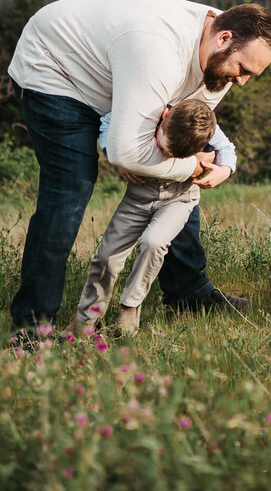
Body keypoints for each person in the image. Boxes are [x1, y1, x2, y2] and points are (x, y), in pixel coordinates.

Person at [5, 0, 271, 346]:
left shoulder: (216, 62)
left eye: (250, 75)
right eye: (242, 69)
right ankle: (31, 328)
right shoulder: (158, 48)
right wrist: (192, 170)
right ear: (224, 38)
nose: (241, 81)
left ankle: (188, 292)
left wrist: (220, 165)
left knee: (173, 180)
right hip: (55, 69)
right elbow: (125, 154)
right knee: (71, 187)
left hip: (117, 76)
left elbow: (185, 142)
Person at [70, 99, 236, 338]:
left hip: (179, 198)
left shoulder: (206, 127)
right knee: (107, 256)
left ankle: (130, 307)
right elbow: (108, 121)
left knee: (153, 242)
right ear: (165, 118)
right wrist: (114, 154)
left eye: (175, 154)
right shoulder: (147, 111)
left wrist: (224, 170)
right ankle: (87, 318)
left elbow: (227, 150)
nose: (167, 155)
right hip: (139, 197)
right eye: (164, 147)